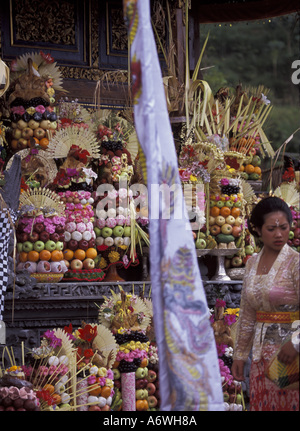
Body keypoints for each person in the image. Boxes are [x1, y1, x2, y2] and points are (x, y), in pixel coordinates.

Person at [232, 196, 299, 411]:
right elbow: (248, 313)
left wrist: (296, 343)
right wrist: (240, 355)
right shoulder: (251, 264)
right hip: (260, 357)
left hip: (291, 355)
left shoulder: (295, 263)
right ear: (258, 230)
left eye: (284, 227)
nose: (279, 234)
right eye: (271, 228)